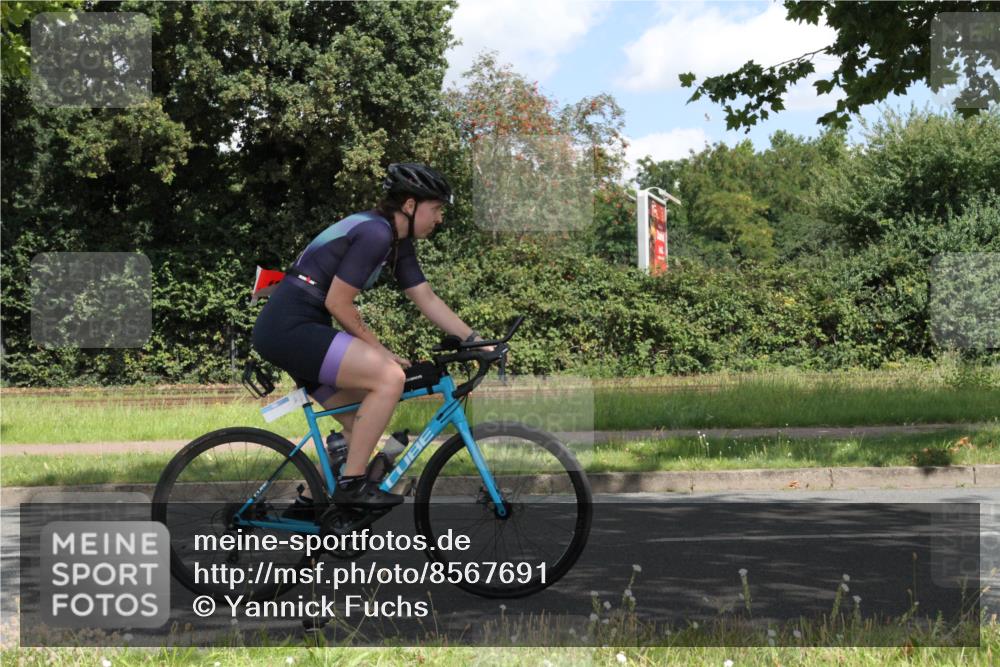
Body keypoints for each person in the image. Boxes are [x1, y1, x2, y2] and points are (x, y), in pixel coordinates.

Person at [252, 163, 486, 508]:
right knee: (389, 377)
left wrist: (477, 339)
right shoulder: (376, 233)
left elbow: (426, 297)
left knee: (360, 420)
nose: (439, 219)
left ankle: (313, 508)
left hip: (295, 329)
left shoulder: (396, 242)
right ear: (410, 205)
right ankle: (352, 486)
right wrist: (381, 351)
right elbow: (339, 302)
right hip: (291, 327)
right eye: (435, 209)